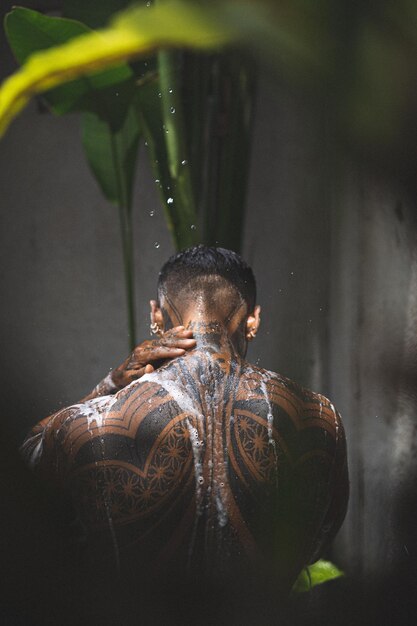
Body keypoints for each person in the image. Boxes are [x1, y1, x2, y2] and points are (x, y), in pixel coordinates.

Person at [21, 245, 348, 617]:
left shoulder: (87, 425)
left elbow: (24, 477)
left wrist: (108, 384)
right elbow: (317, 542)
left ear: (155, 316)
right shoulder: (319, 418)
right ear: (253, 321)